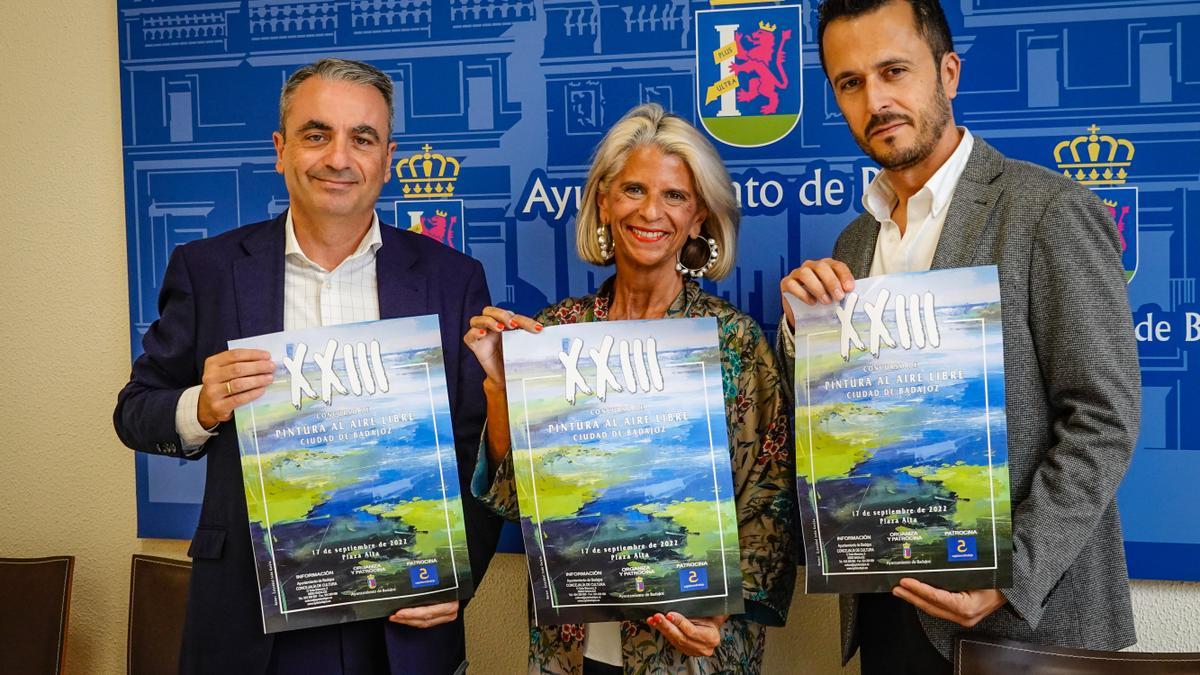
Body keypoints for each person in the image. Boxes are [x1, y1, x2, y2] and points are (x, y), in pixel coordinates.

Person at [776, 1, 1141, 673]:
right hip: (888, 610)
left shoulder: (1049, 211)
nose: (876, 100)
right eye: (850, 82)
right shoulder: (853, 243)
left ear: (947, 73)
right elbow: (841, 431)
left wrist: (1011, 572)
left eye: (894, 71)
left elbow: (1104, 417)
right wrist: (804, 335)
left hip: (1027, 622)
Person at [113, 58, 501, 675]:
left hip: (401, 618)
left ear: (388, 157)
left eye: (362, 138)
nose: (338, 158)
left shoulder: (451, 279)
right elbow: (135, 410)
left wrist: (459, 575)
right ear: (281, 149)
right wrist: (201, 406)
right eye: (316, 134)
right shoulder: (208, 269)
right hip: (250, 618)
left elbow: (475, 445)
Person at [464, 103, 795, 674]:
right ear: (604, 203)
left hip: (692, 650)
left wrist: (719, 613)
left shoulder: (733, 341)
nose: (651, 211)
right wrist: (499, 386)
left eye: (675, 196)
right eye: (633, 190)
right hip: (572, 646)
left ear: (698, 220)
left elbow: (770, 498)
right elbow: (519, 503)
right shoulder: (557, 334)